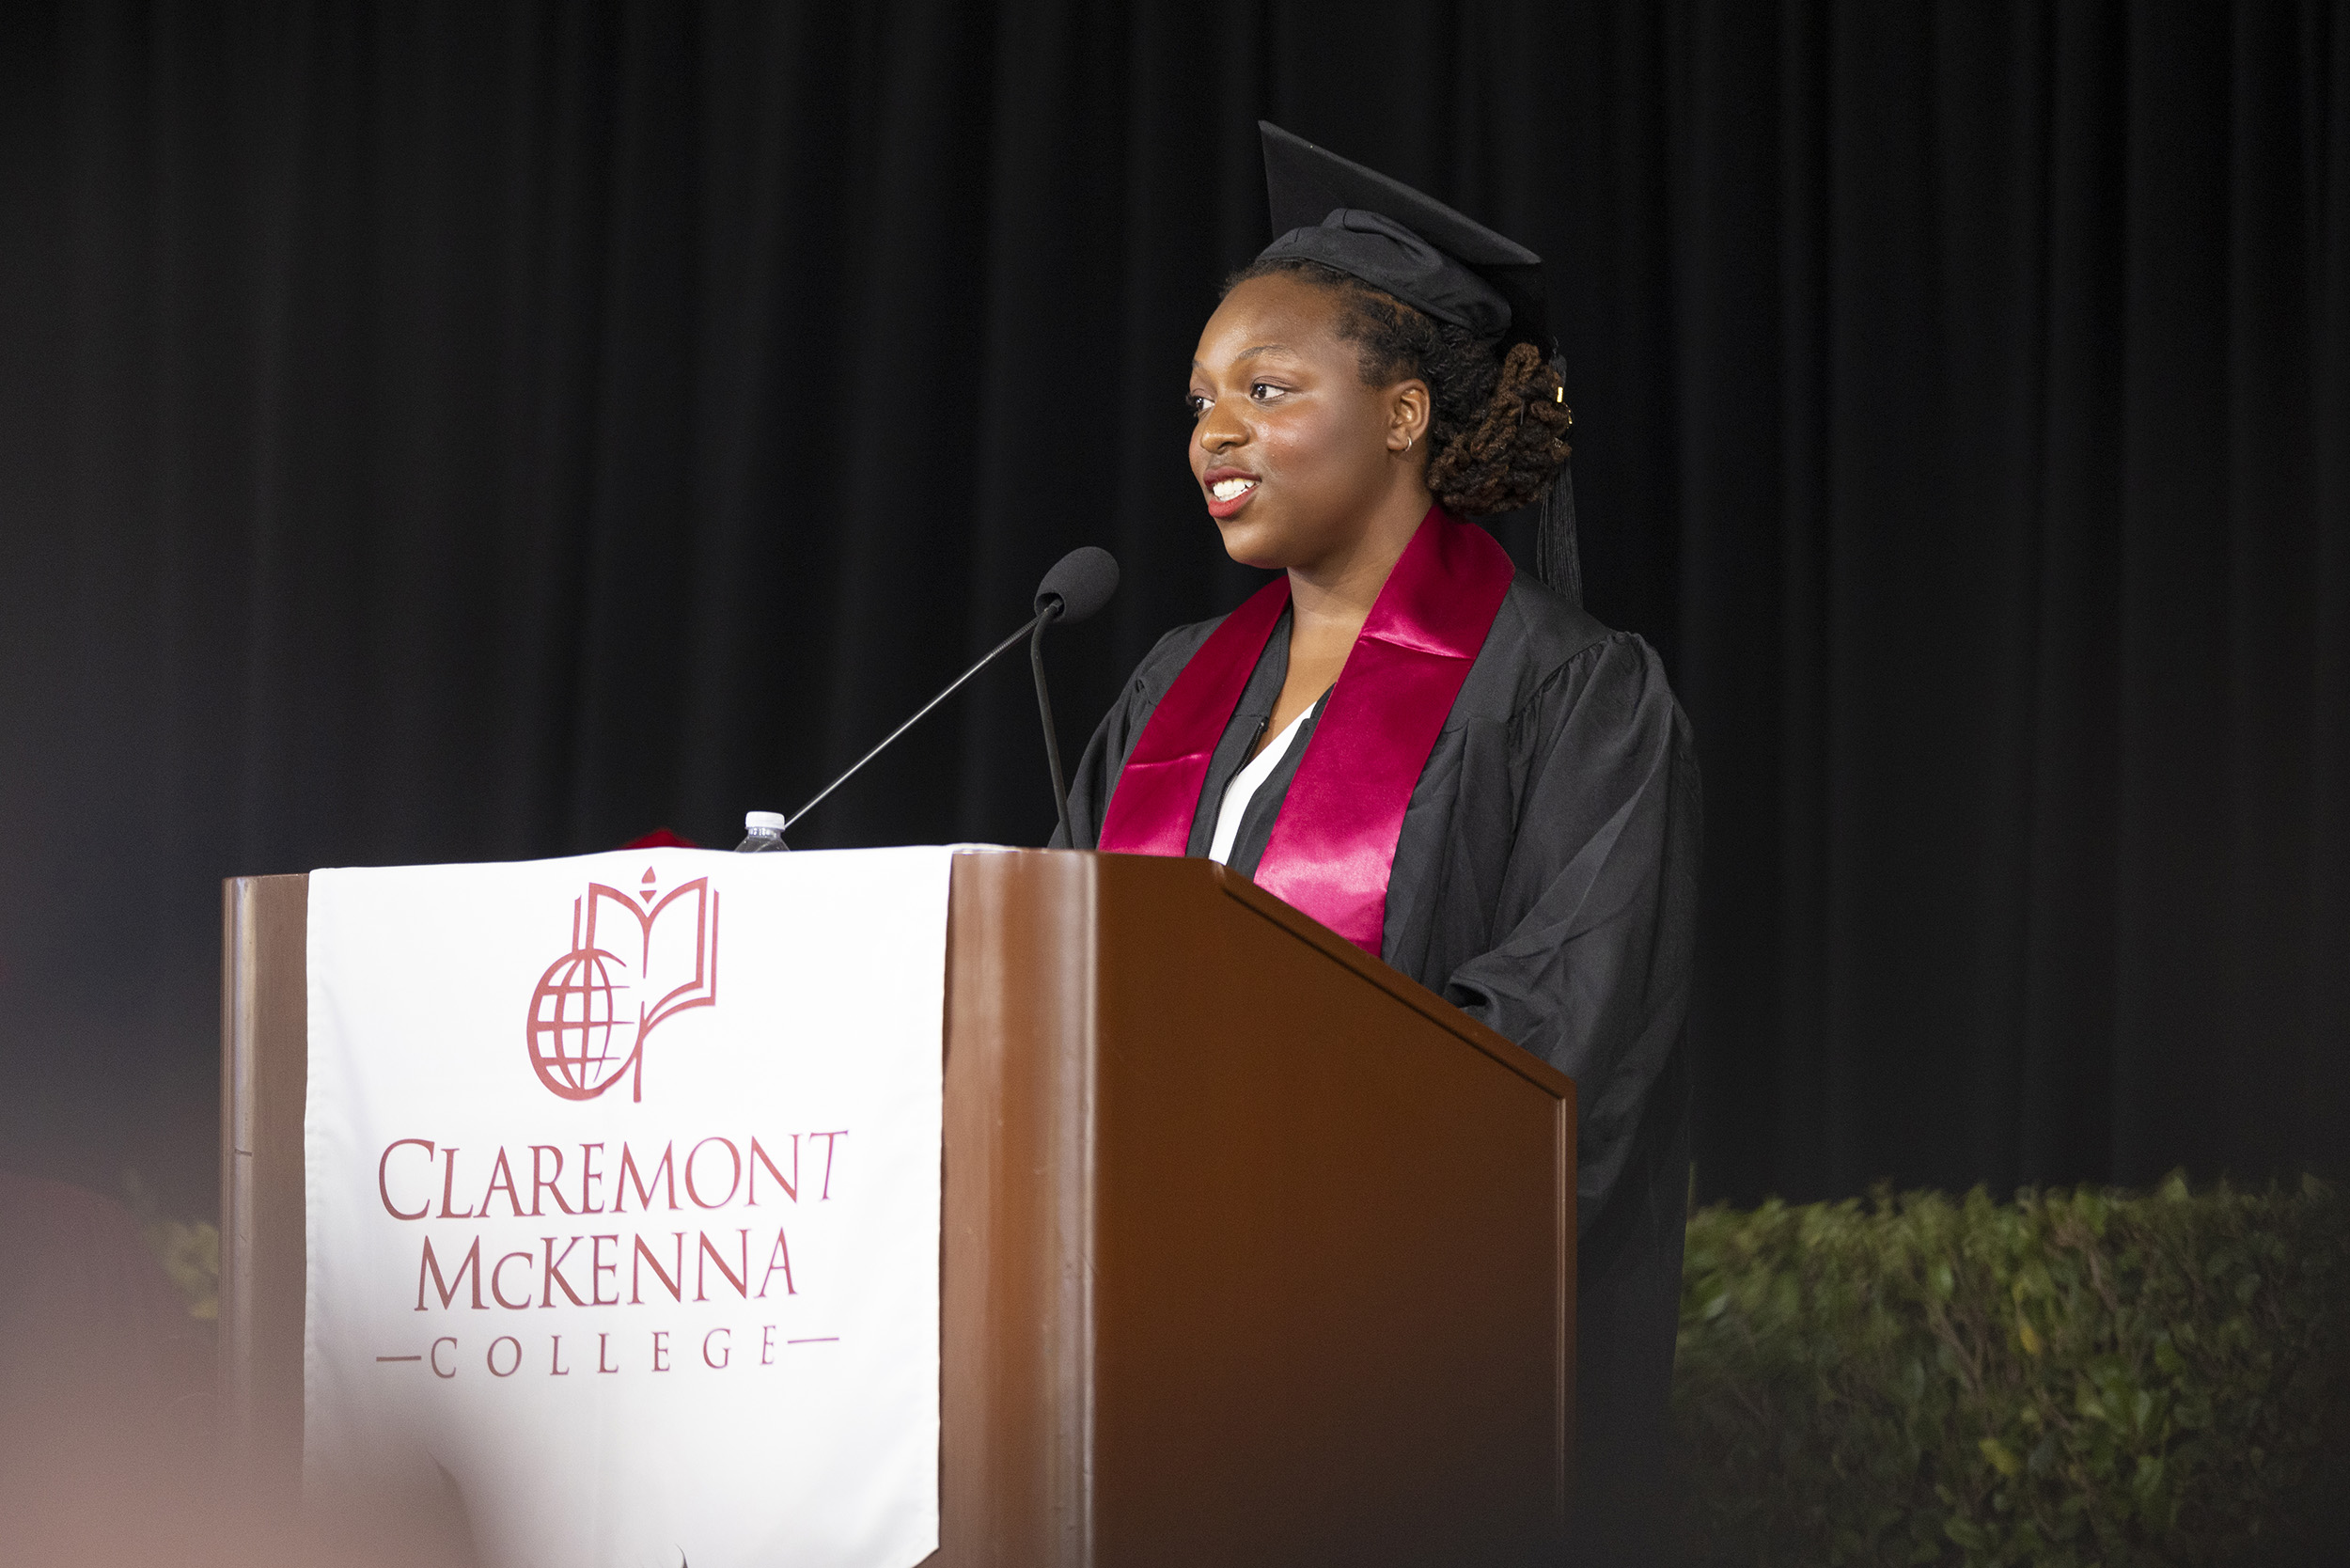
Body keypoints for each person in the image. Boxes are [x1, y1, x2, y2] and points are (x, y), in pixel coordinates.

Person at [1056, 123, 1701, 1563]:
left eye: (1266, 391)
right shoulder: (1168, 687)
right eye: (1202, 400)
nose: (1210, 435)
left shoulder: (1575, 695)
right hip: (1146, 1364)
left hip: (1407, 1392)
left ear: (1405, 415)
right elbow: (1055, 976)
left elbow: (1559, 1046)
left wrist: (1261, 1184)